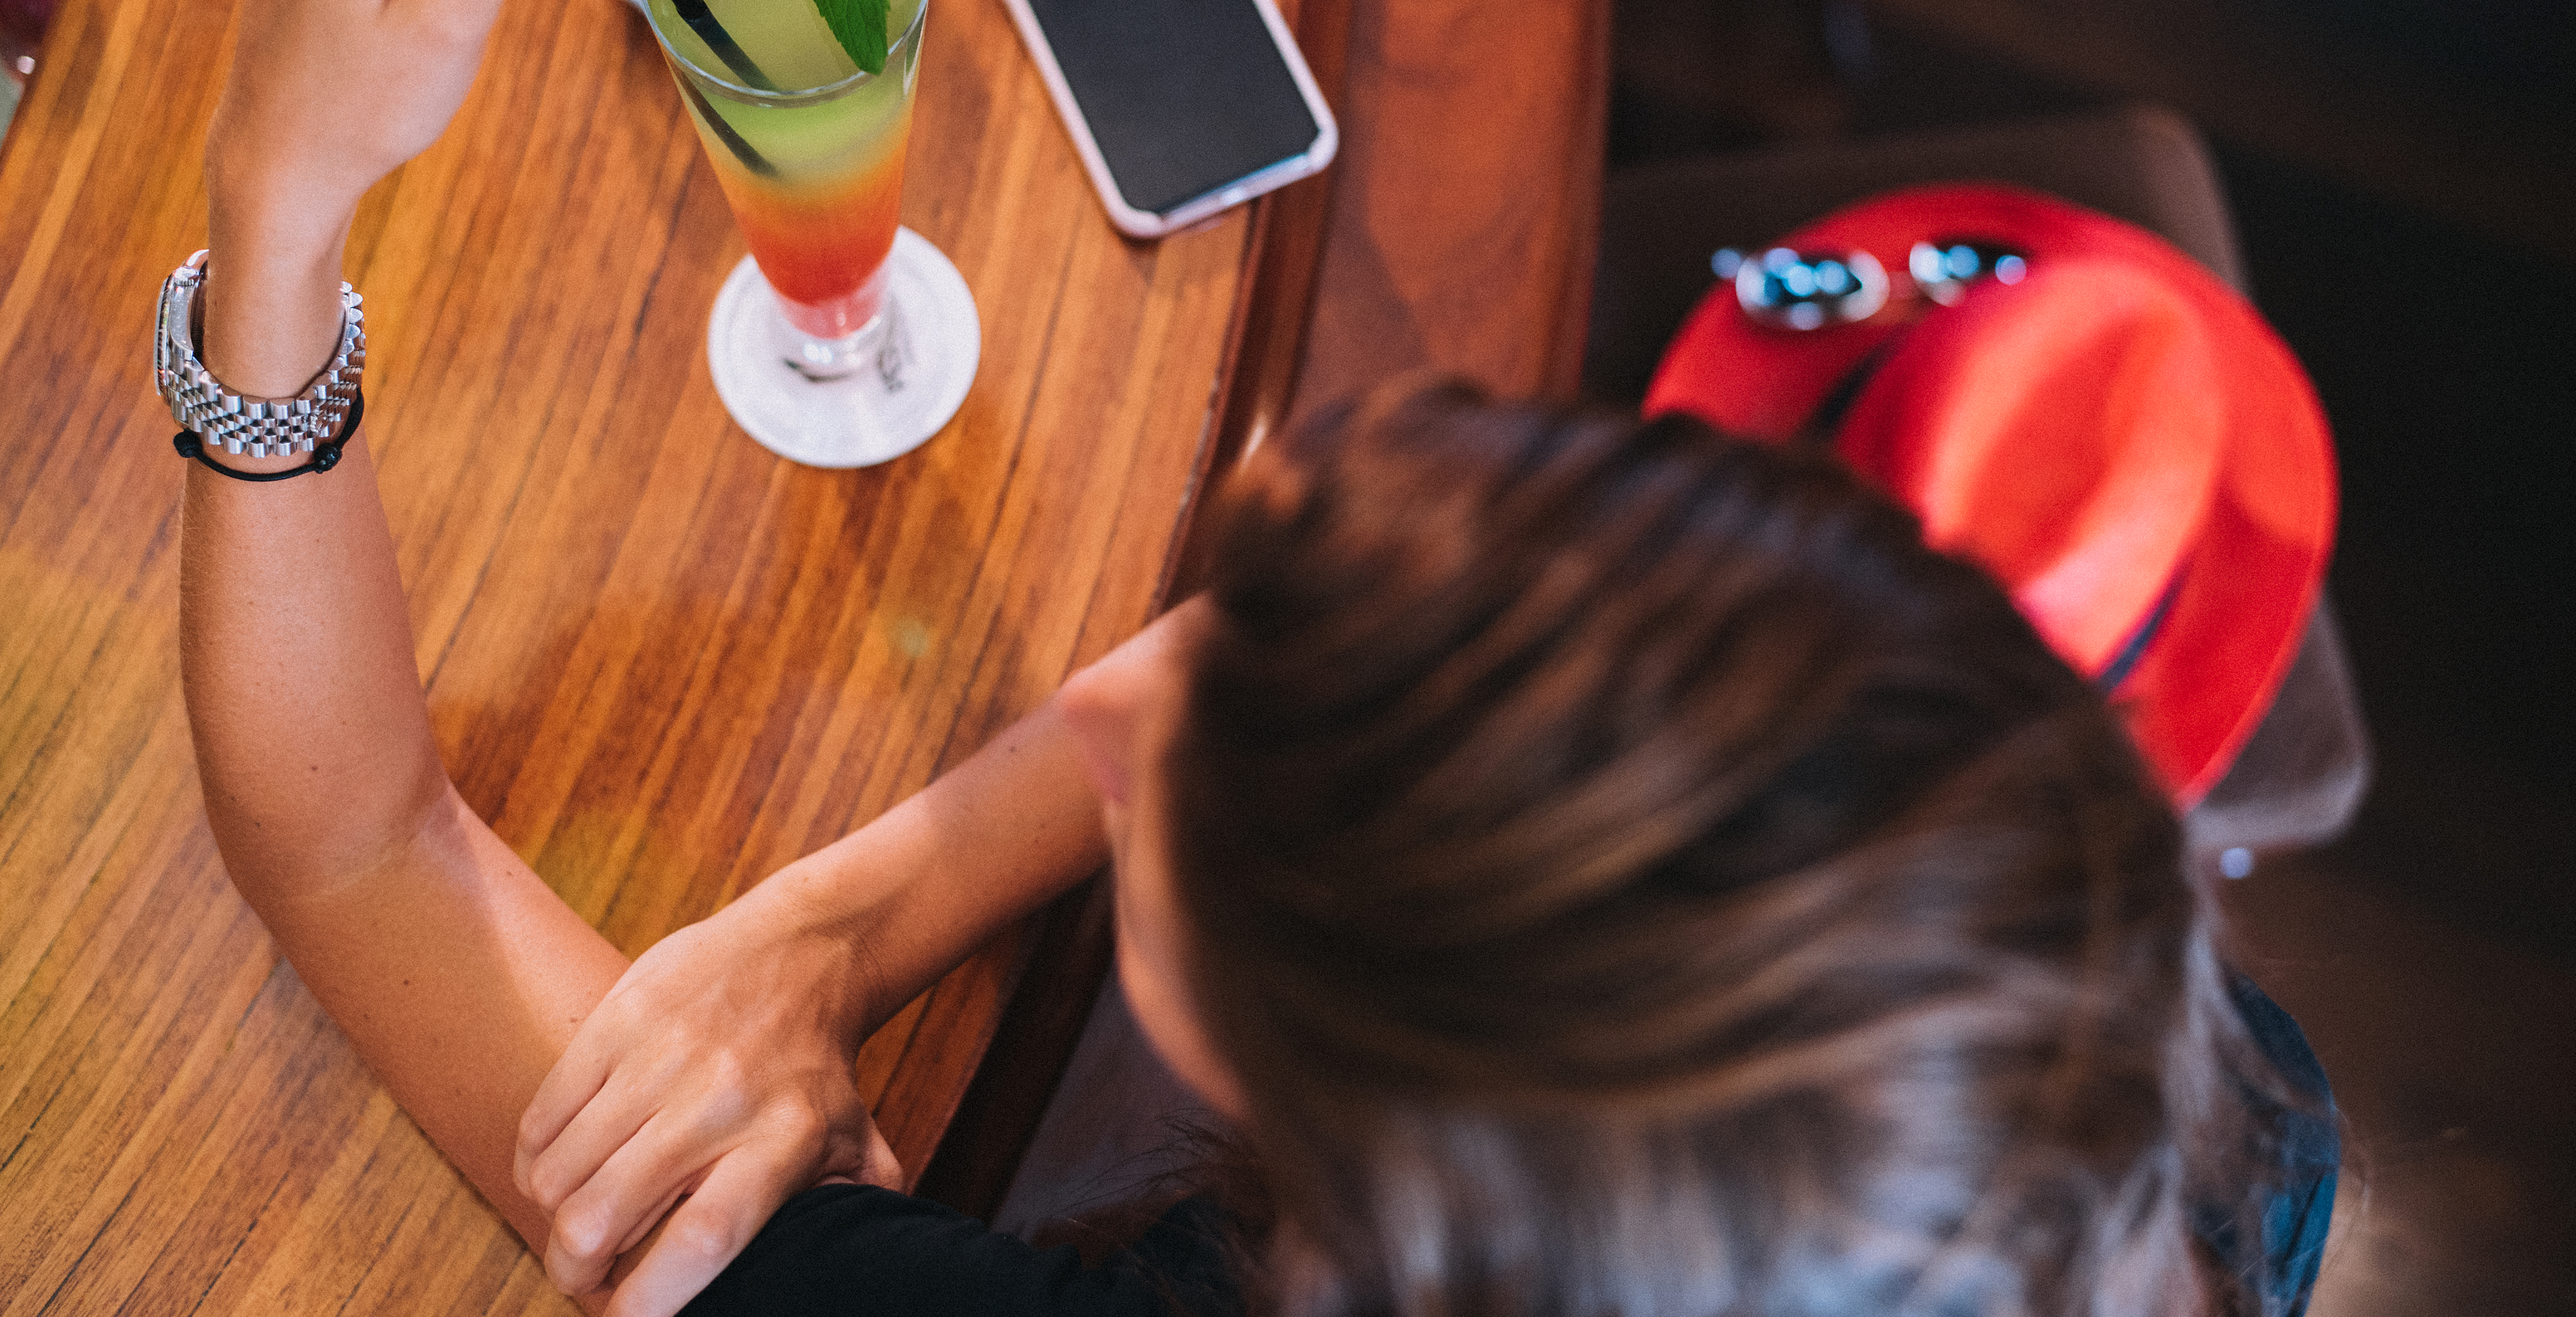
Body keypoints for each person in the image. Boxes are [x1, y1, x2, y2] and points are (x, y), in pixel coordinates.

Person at [176, 2, 2330, 1316]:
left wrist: (274, 205)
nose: (1125, 690)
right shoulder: (2210, 1117)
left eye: (1166, 794)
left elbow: (359, 847)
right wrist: (831, 933)